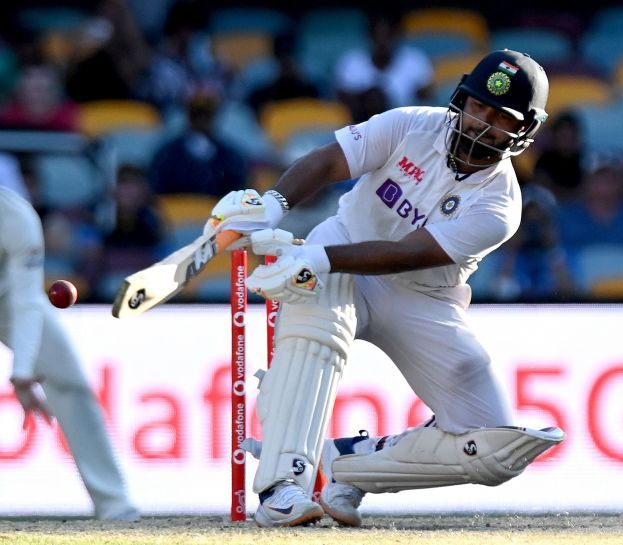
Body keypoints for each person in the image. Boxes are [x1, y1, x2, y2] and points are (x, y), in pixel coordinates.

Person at [206, 49, 564, 528]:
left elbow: (413, 252)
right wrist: (273, 205)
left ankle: (348, 465)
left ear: (522, 132)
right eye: (478, 106)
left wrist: (315, 257)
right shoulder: (411, 124)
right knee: (319, 327)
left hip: (420, 295)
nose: (482, 123)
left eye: (500, 117)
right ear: (461, 98)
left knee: (494, 447)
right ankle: (283, 487)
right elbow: (330, 161)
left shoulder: (500, 205)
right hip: (345, 246)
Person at [0, 187, 138, 520]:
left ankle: (115, 508)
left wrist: (22, 372)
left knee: (70, 382)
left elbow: (27, 301)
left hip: (5, 298)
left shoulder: (15, 215)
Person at [334, 13, 434, 122]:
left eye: (387, 35)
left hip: (403, 126)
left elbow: (427, 100)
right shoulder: (351, 62)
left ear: (397, 35)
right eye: (377, 36)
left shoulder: (416, 61)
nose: (382, 42)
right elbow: (341, 101)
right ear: (369, 36)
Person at [149, 85, 247, 196]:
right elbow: (157, 192)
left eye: (206, 116)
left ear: (214, 117)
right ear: (188, 116)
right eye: (196, 115)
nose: (201, 121)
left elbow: (238, 194)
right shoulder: (166, 155)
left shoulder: (231, 157)